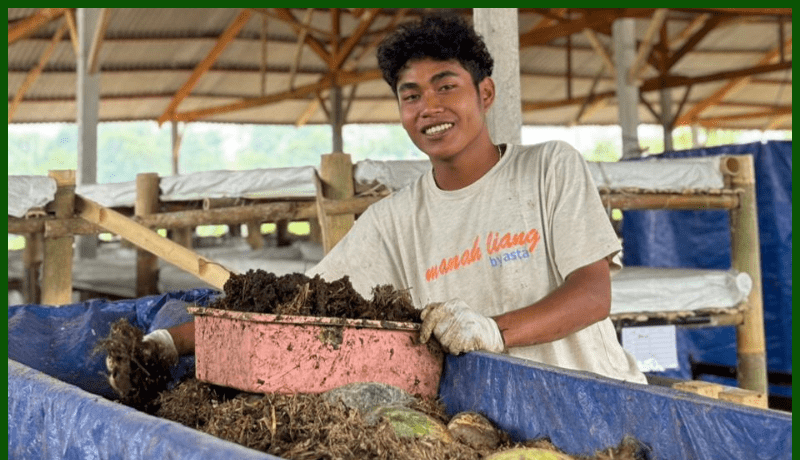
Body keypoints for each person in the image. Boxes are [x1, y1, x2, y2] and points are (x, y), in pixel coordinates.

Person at [107, 11, 646, 392]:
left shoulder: (549, 168)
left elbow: (592, 295)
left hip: (598, 404)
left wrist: (493, 330)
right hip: (492, 426)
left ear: (485, 93)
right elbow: (296, 301)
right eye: (410, 95)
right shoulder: (396, 220)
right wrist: (166, 343)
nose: (428, 107)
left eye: (446, 86)